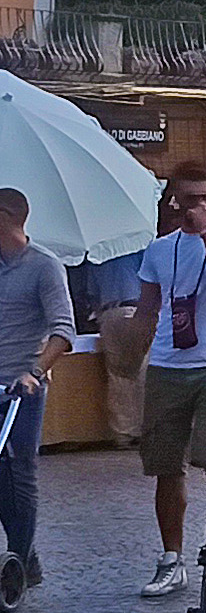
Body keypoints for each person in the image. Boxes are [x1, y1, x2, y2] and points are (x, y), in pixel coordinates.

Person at [130, 163, 206, 599]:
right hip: (168, 365)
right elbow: (148, 310)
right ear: (174, 200)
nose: (201, 205)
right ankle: (172, 559)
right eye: (191, 198)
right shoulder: (159, 250)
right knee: (166, 466)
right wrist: (130, 357)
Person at [0, 187, 74, 589]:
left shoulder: (44, 266)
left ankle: (18, 561)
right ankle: (25, 557)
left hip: (20, 388)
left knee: (20, 471)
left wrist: (35, 371)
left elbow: (63, 330)